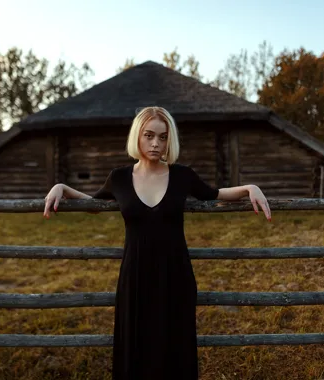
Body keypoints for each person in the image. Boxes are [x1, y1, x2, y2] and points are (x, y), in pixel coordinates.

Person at [43, 106, 271, 380]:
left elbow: (214, 193)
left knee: (175, 354)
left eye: (162, 138)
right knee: (135, 353)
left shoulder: (182, 176)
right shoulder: (119, 178)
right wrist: (62, 188)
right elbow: (95, 204)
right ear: (137, 137)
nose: (155, 143)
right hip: (135, 279)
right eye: (149, 135)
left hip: (175, 278)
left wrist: (250, 188)